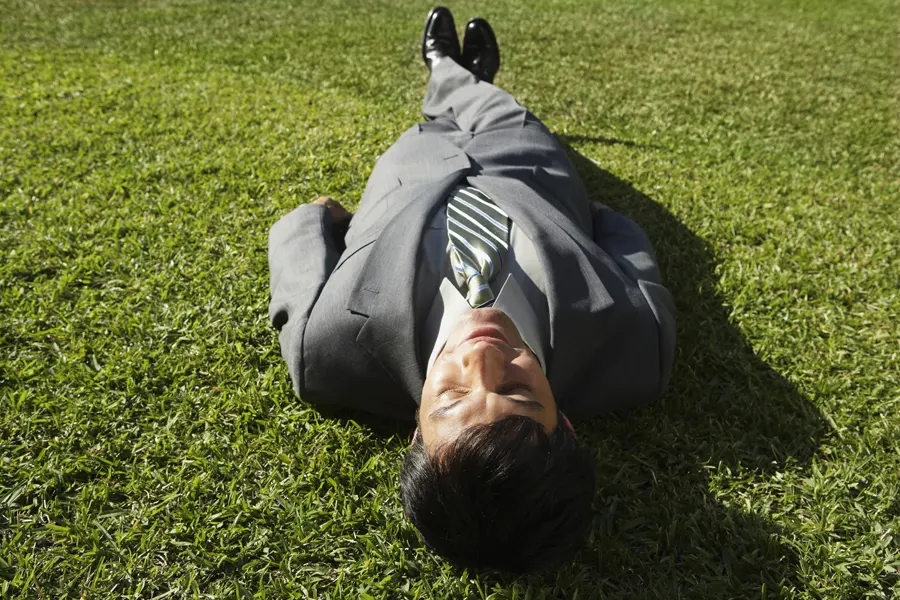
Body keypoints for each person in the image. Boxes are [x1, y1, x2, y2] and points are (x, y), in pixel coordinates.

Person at [267, 6, 676, 572]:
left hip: (415, 166)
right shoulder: (638, 349)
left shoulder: (325, 354)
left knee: (441, 116)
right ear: (567, 426)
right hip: (526, 162)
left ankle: (448, 70)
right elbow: (635, 256)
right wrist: (599, 218)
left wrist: (319, 216)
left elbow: (292, 248)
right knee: (500, 108)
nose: (482, 357)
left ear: (416, 434)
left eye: (452, 398)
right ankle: (461, 75)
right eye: (520, 391)